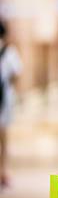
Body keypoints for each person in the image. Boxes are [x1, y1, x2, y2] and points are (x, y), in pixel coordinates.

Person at [0, 19, 21, 189]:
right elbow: (16, 75)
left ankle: (3, 171)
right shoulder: (9, 52)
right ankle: (3, 171)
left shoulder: (9, 52)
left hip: (4, 101)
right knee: (4, 138)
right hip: (5, 100)